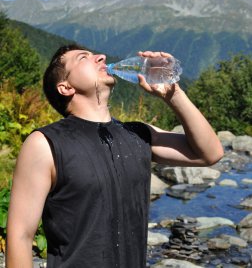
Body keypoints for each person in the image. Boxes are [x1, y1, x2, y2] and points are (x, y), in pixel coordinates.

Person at [6, 45, 224, 268]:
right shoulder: (45, 143)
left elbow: (209, 153)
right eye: (84, 58)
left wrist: (173, 93)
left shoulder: (138, 133)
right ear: (65, 87)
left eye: (96, 55)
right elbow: (20, 235)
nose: (101, 57)